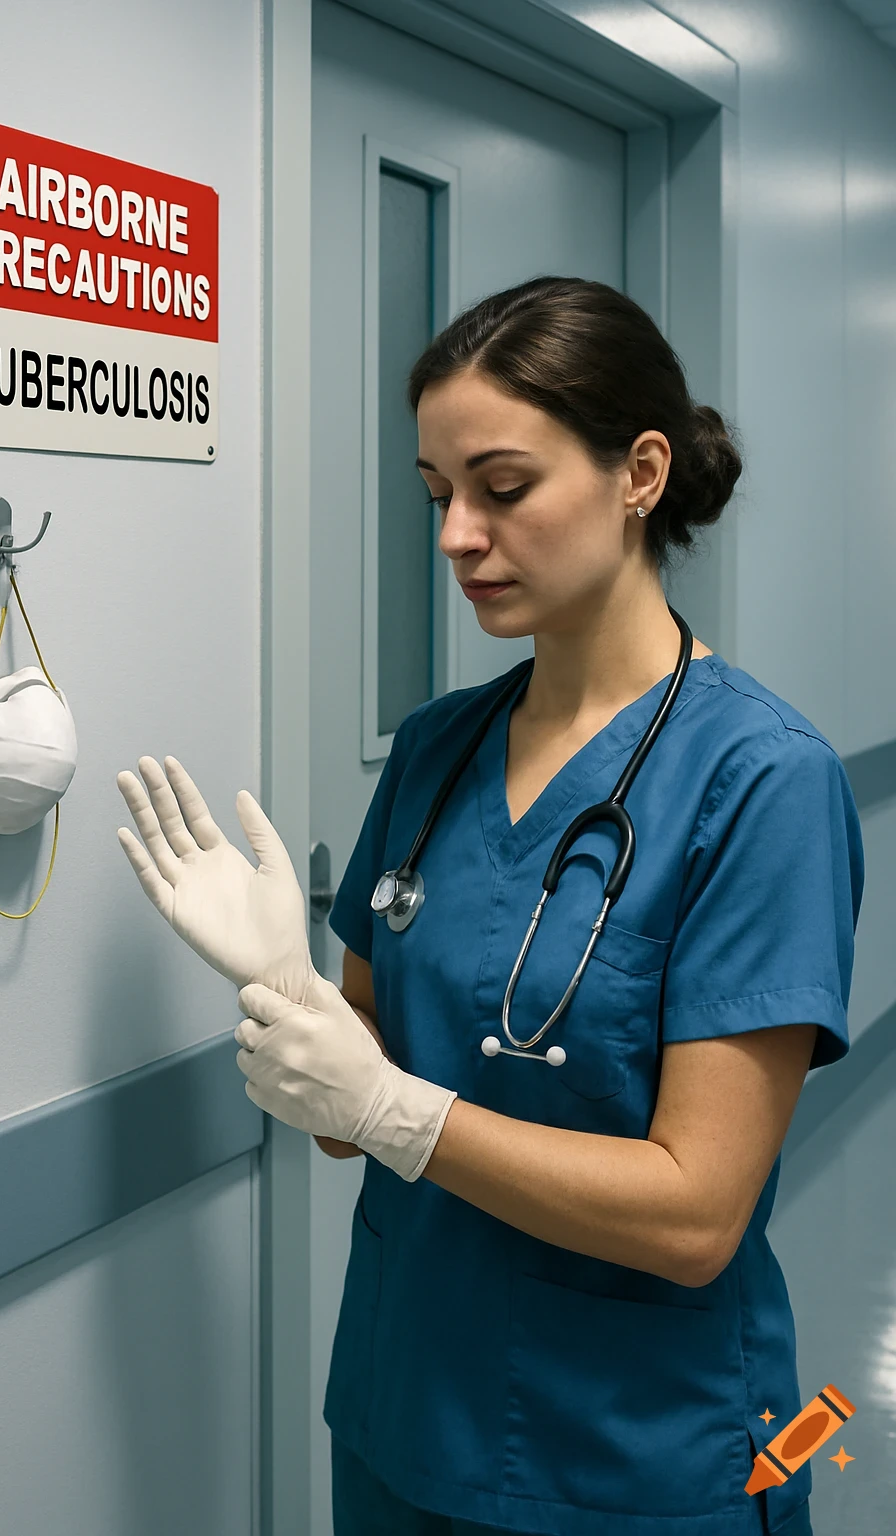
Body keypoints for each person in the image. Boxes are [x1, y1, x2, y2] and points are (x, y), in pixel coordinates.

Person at [116, 277, 863, 1536]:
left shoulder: (759, 783)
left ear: (639, 472)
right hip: (404, 1421)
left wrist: (394, 1109)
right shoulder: (435, 751)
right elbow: (346, 1120)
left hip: (634, 1460)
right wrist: (289, 990)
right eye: (436, 496)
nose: (457, 534)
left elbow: (693, 1214)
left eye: (502, 488)